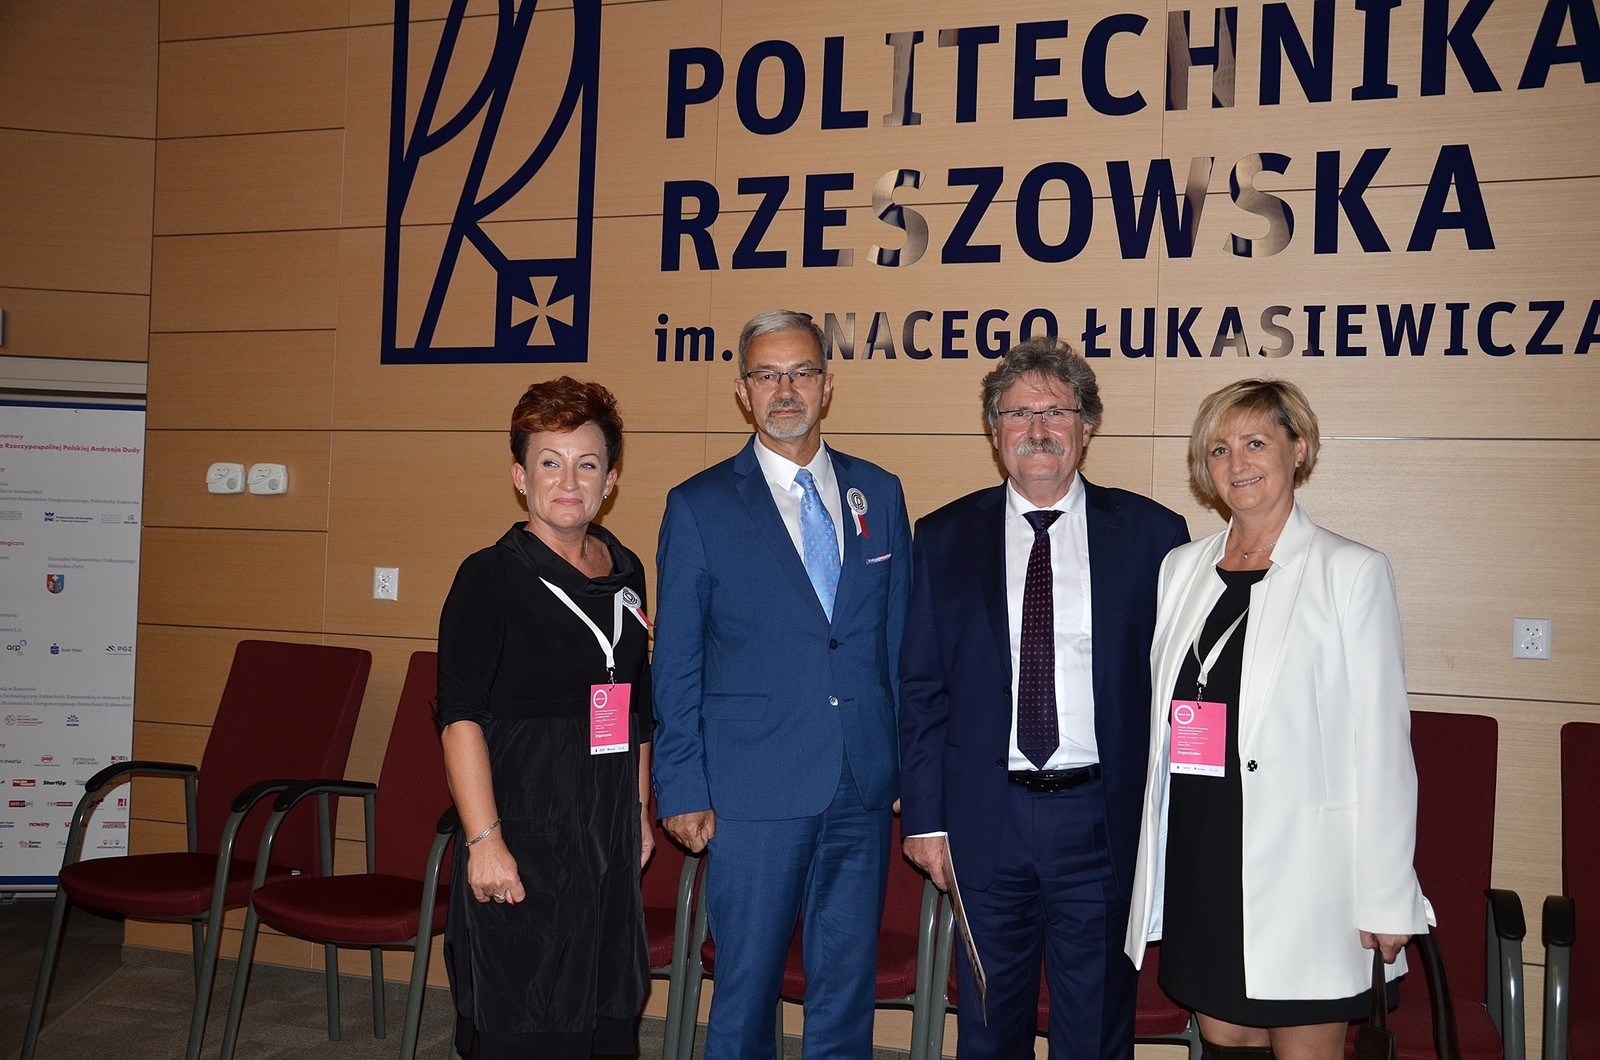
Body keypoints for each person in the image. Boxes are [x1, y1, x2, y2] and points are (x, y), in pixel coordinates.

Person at [899, 337, 1190, 1059]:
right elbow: (922, 689)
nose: (1038, 429)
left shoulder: (1154, 537)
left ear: (1087, 426)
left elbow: (1181, 690)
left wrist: (1176, 816)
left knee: (1095, 1027)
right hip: (983, 818)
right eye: (1018, 413)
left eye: (1056, 412)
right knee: (989, 1025)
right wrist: (926, 819)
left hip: (1101, 819)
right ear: (994, 431)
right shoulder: (942, 536)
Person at [1123, 379, 1429, 1060]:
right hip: (1202, 853)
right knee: (1227, 1038)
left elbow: (1382, 746)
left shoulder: (1351, 572)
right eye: (1219, 449)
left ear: (1300, 448)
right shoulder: (1182, 569)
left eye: (1256, 442)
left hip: (1308, 871)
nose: (1237, 463)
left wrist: (1387, 897)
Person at [651, 309, 912, 1060]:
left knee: (846, 990)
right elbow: (677, 661)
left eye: (801, 372)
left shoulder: (880, 493)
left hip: (862, 781)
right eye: (767, 374)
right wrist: (681, 785)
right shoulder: (698, 505)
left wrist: (909, 767)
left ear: (828, 386)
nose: (785, 389)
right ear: (743, 391)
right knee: (745, 989)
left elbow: (900, 645)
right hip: (752, 788)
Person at [436, 377, 654, 1060]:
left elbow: (636, 708)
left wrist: (637, 813)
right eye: (549, 463)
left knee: (604, 1011)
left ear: (609, 480)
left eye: (587, 464)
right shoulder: (488, 577)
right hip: (524, 829)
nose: (568, 481)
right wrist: (484, 840)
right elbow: (459, 718)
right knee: (525, 1010)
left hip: (606, 831)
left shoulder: (626, 573)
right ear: (519, 477)